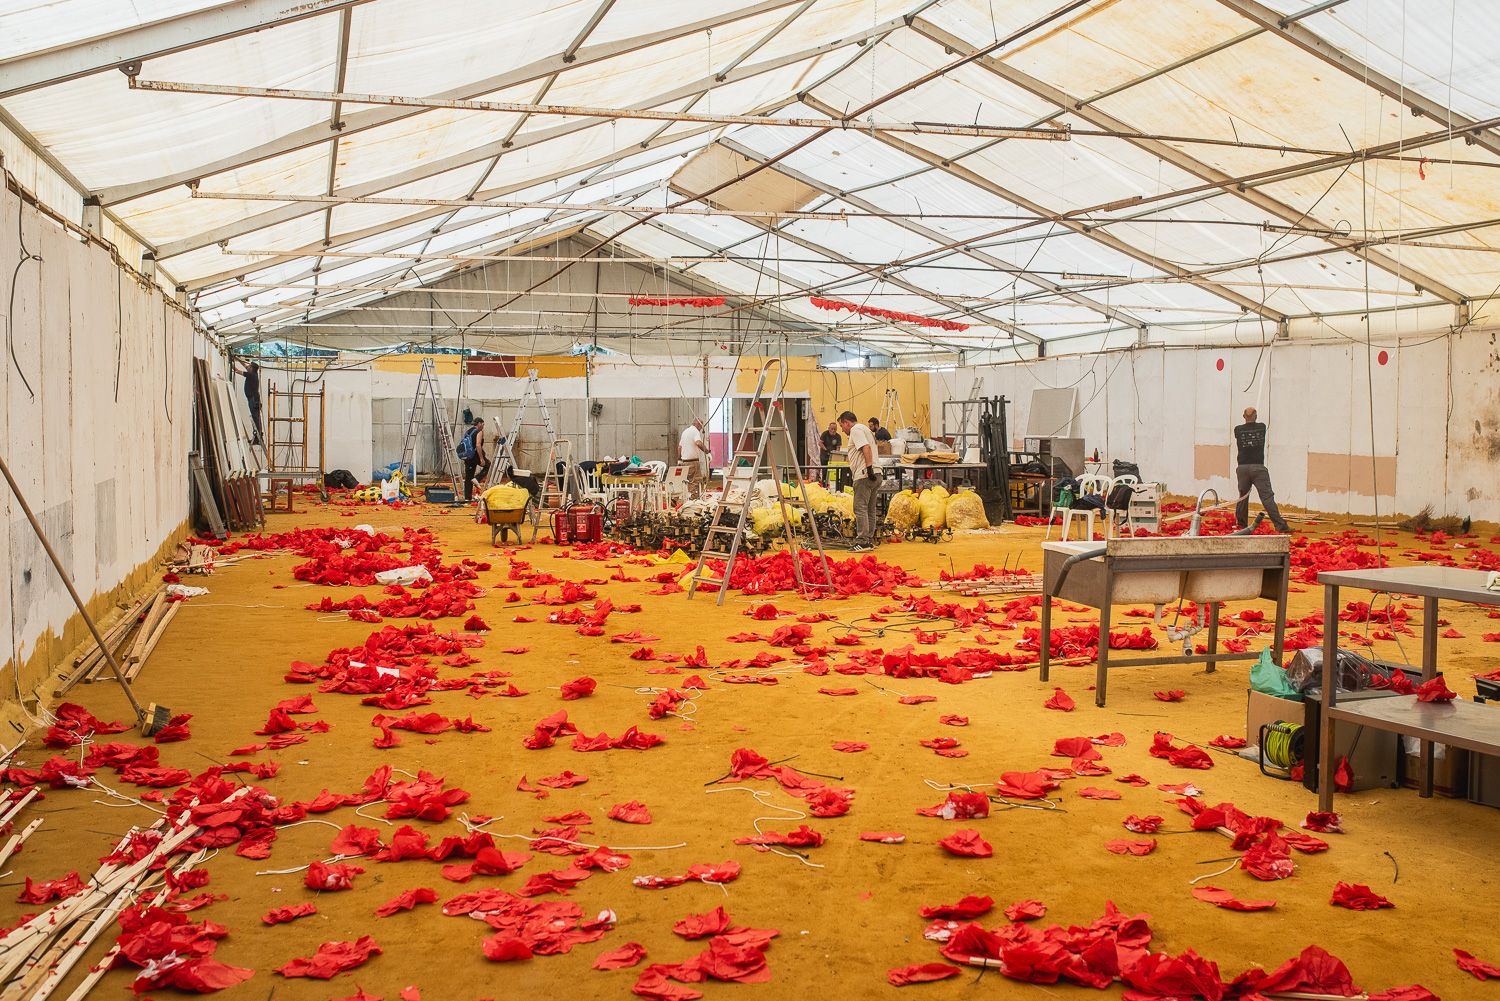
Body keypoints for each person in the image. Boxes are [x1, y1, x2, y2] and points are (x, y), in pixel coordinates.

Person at [1233, 407, 1290, 533]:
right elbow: (1258, 426)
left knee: (1243, 496)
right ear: (1256, 416)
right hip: (1258, 468)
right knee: (1267, 498)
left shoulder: (1238, 429)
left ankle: (1241, 524)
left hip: (1242, 468)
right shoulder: (1261, 427)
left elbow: (1239, 434)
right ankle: (1280, 525)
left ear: (1243, 416)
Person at [841, 410, 880, 551]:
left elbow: (866, 447)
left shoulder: (855, 430)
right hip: (877, 473)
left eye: (842, 426)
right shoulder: (865, 429)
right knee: (870, 508)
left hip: (864, 474)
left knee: (860, 507)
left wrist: (868, 468)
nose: (843, 430)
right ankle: (868, 539)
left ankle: (862, 541)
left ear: (846, 422)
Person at [458, 417, 490, 502]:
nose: (483, 426)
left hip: (467, 456)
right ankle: (477, 479)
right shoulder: (479, 432)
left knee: (469, 476)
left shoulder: (468, 431)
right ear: (479, 423)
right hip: (475, 455)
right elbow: (478, 445)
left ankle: (467, 498)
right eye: (482, 424)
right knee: (488, 465)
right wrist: (481, 458)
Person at [678, 418, 710, 497]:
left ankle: (683, 499)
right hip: (693, 462)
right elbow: (698, 443)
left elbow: (679, 447)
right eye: (701, 426)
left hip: (684, 462)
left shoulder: (685, 432)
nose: (701, 429)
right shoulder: (695, 431)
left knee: (686, 482)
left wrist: (679, 459)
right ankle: (694, 501)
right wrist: (707, 452)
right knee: (696, 482)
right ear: (698, 424)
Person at [240, 359, 262, 445]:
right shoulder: (253, 373)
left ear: (252, 368)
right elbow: (245, 365)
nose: (247, 367)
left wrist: (232, 364)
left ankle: (257, 437)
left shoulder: (251, 375)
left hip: (253, 400)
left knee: (255, 418)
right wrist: (237, 358)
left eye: (249, 366)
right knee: (256, 417)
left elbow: (237, 371)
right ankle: (257, 436)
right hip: (253, 399)